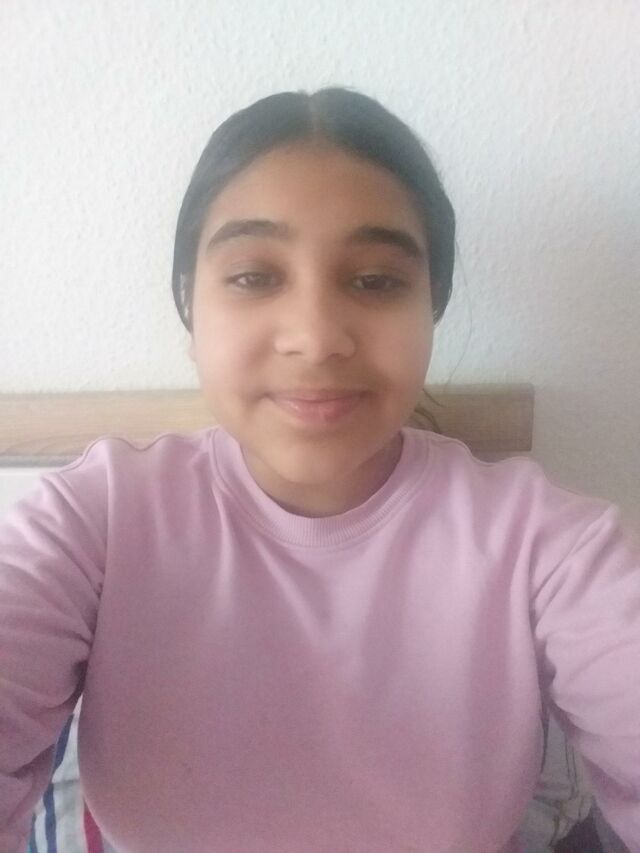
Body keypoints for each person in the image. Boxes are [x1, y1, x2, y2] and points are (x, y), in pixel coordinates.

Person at [1, 87, 638, 853]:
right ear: (190, 304)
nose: (315, 336)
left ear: (430, 306)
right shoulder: (95, 521)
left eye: (375, 280)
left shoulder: (545, 546)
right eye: (253, 276)